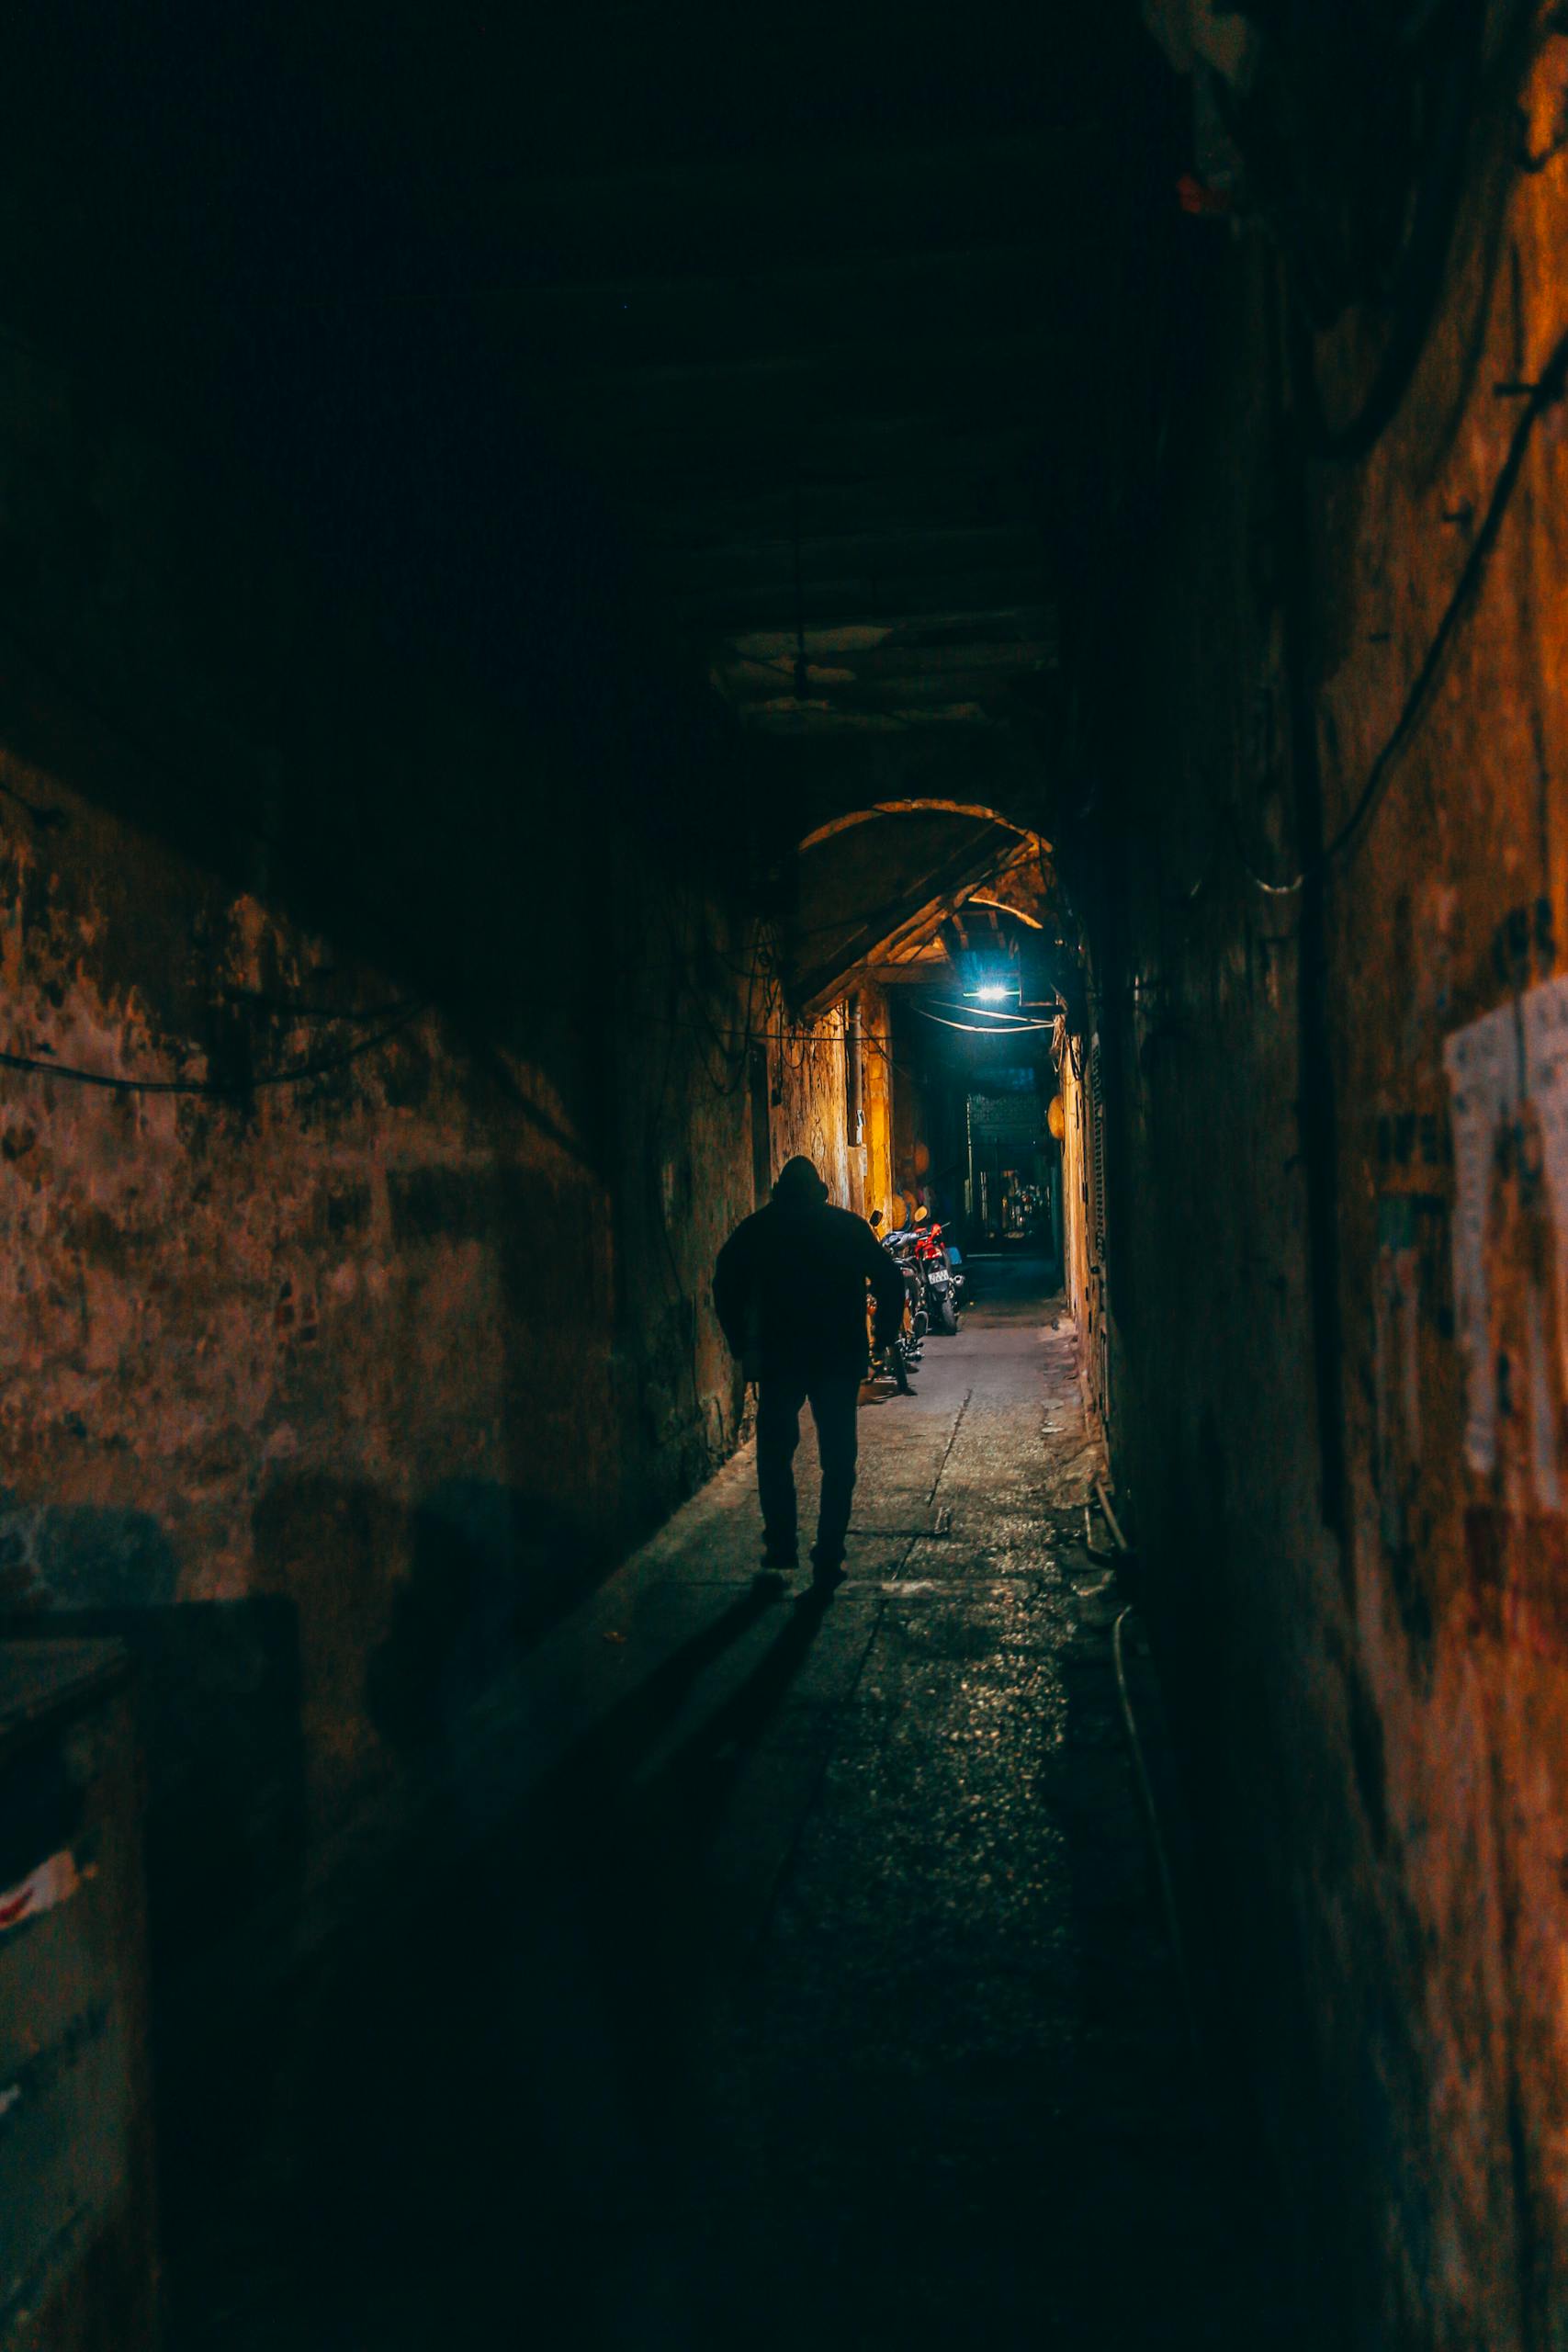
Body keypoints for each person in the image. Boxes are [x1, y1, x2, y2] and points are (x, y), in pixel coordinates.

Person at [714, 1157, 905, 1591]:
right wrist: (884, 1334)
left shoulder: (759, 1229)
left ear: (780, 1191)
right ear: (820, 1191)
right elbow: (890, 1280)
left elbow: (725, 1280)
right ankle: (829, 1554)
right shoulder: (848, 1228)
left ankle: (782, 1543)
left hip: (781, 1360)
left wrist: (740, 1341)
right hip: (836, 1358)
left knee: (774, 1456)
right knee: (839, 1460)